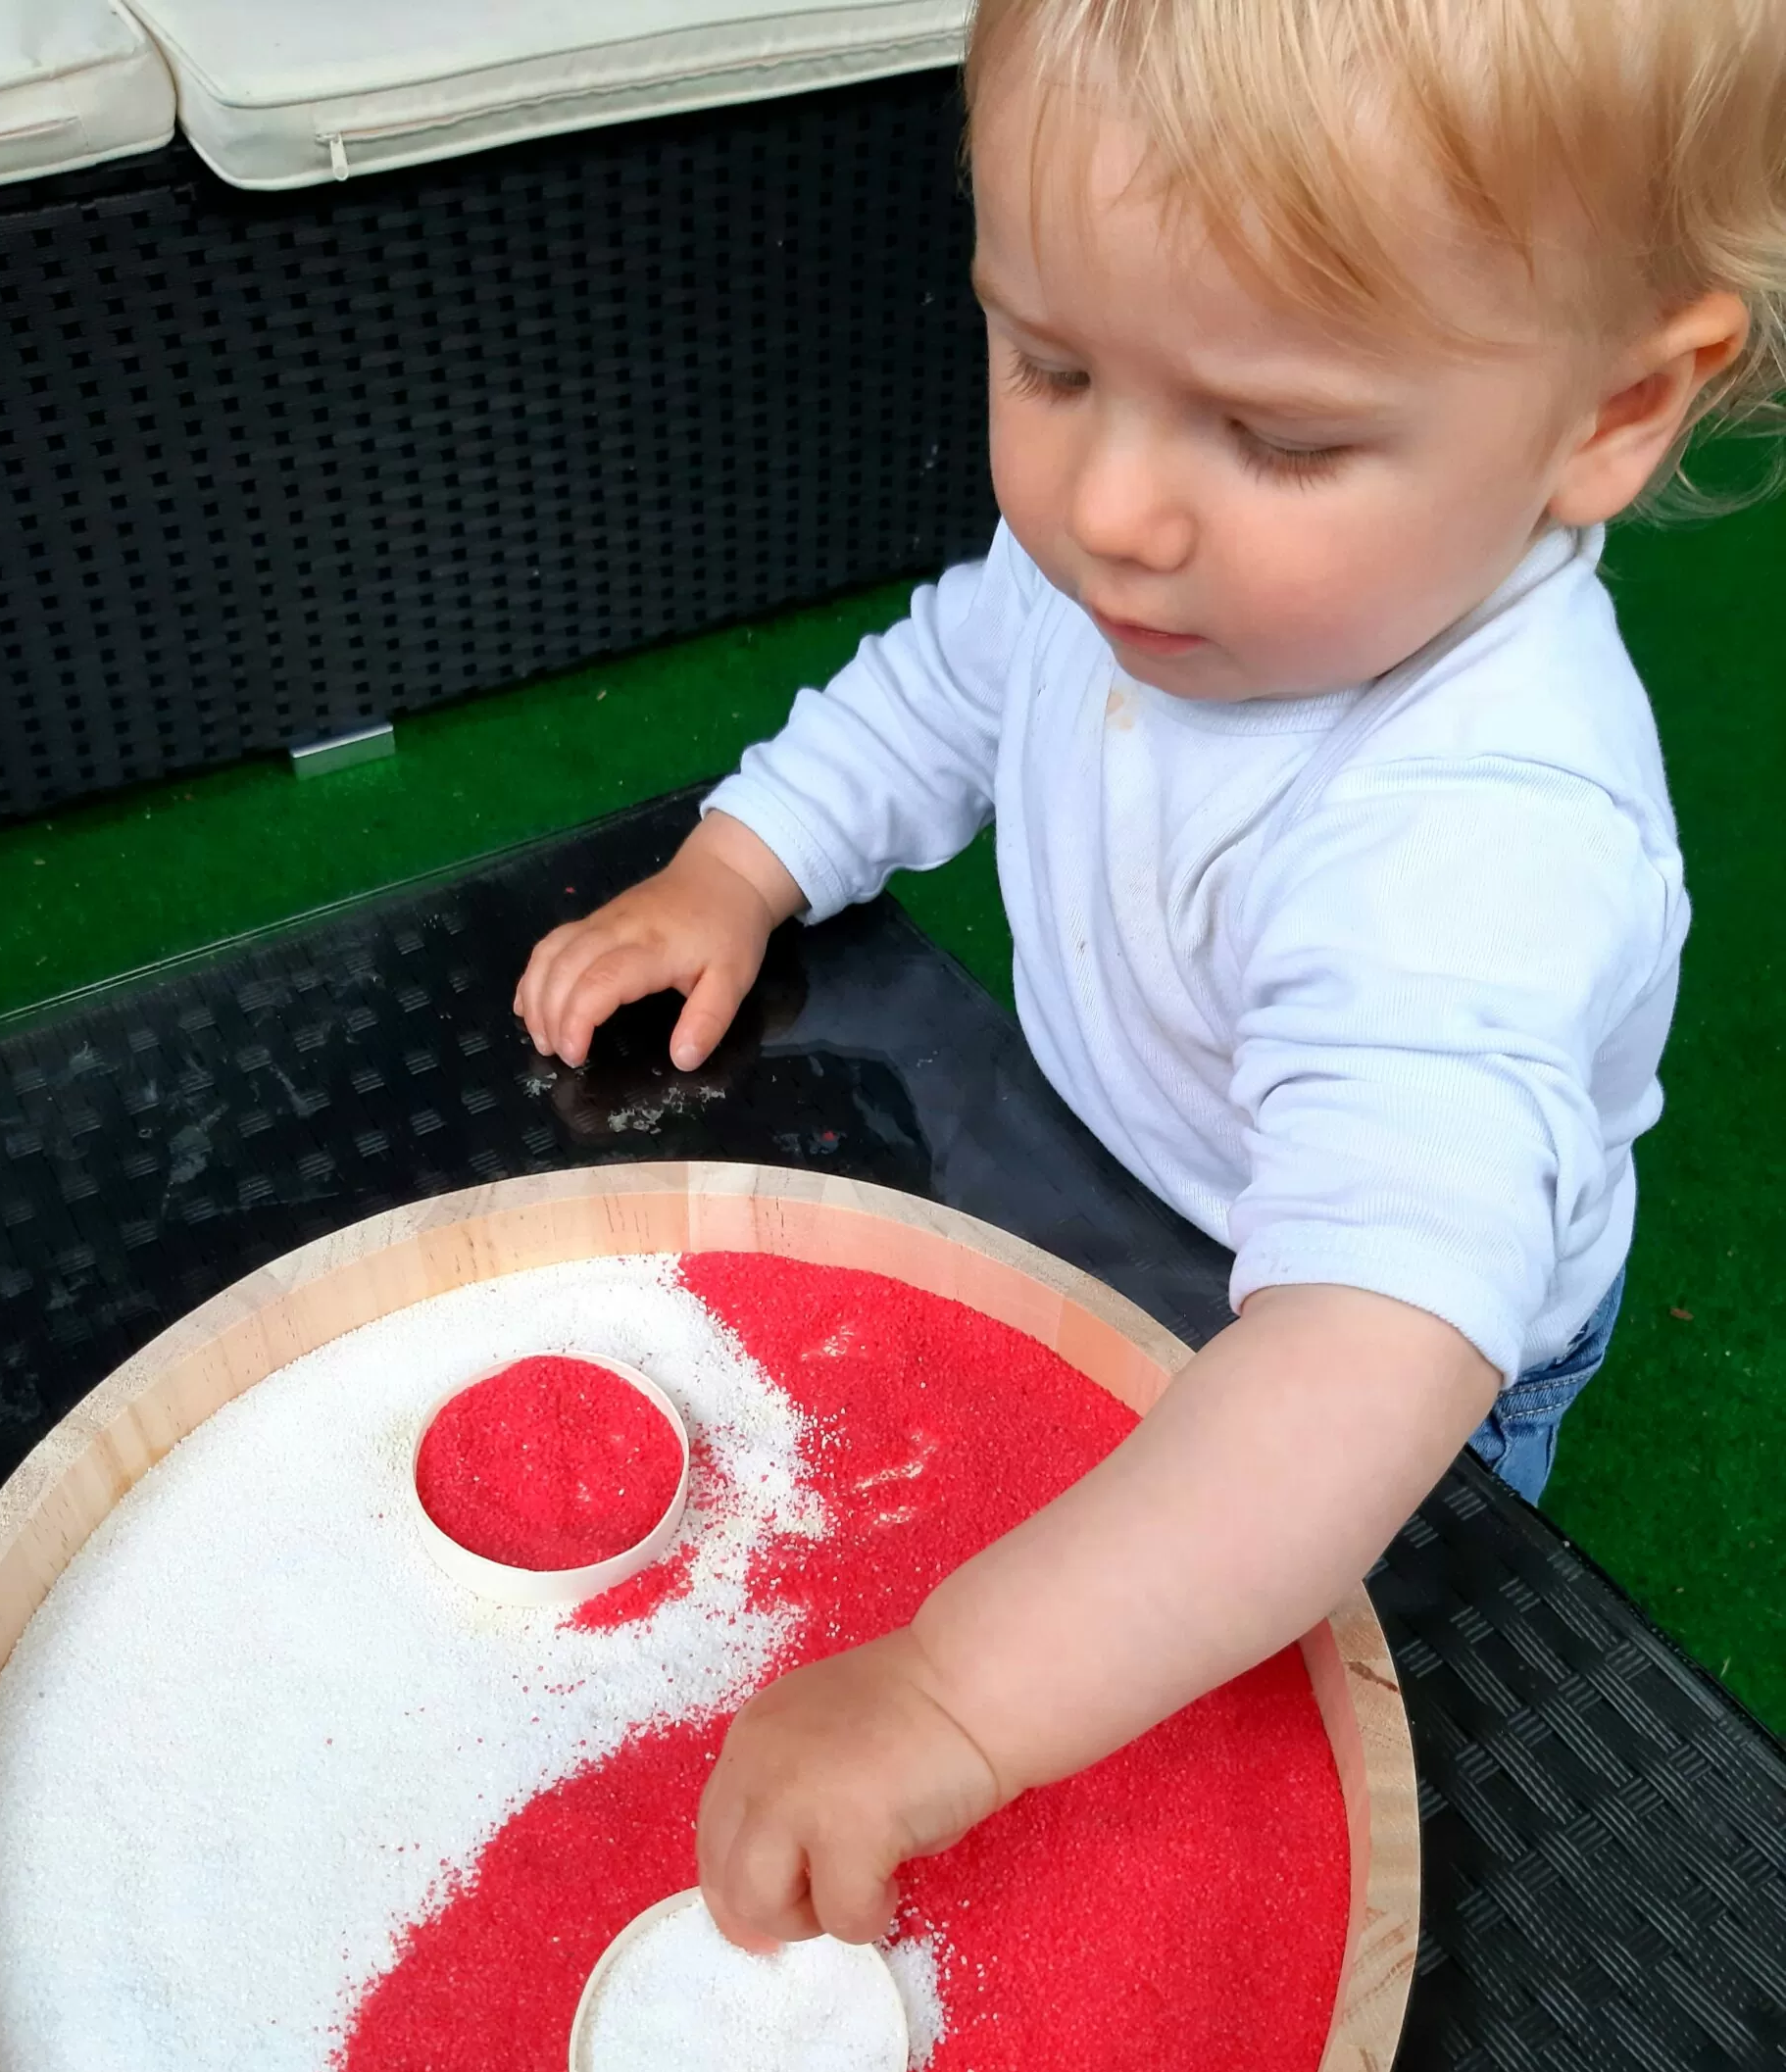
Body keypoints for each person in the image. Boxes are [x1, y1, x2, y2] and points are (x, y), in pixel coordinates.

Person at [514, 0, 1786, 1950]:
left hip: (1386, 1358)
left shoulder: (1481, 828)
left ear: (1611, 411)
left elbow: (1348, 1374)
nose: (1109, 507)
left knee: (1313, 1720)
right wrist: (744, 854)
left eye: (1274, 433)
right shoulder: (1164, 560)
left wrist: (954, 1693)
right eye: (1051, 360)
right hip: (1111, 1169)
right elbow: (953, 675)